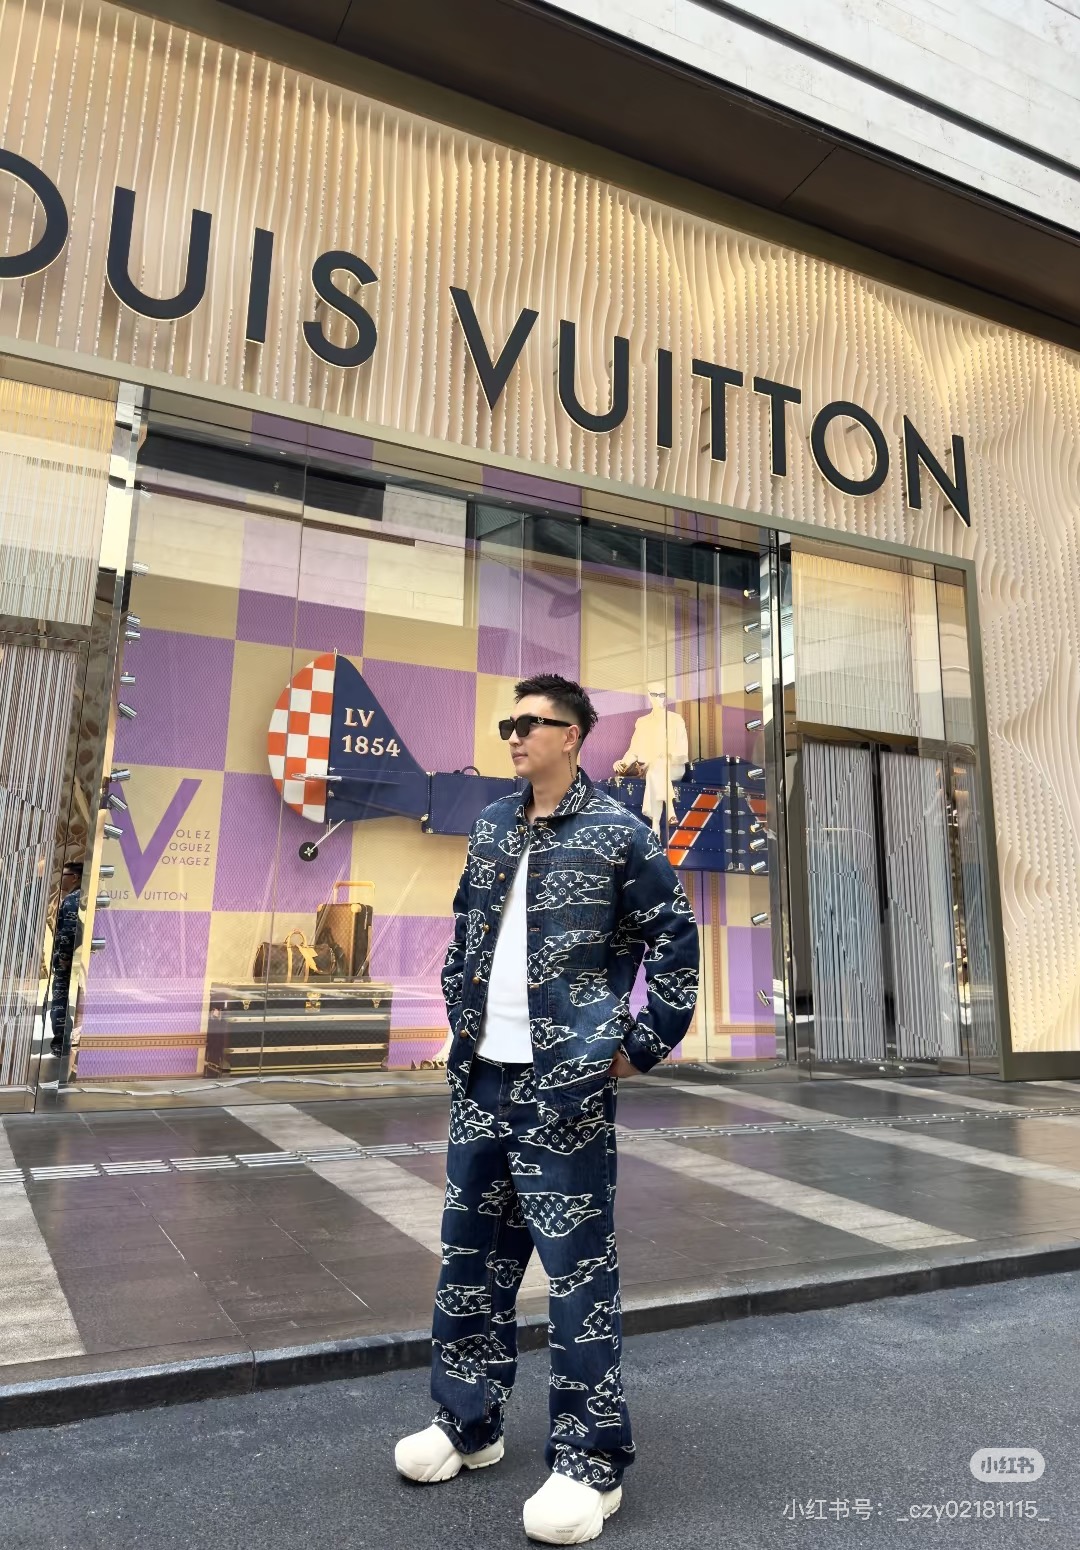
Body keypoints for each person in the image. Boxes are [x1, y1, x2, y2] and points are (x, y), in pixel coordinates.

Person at [395, 674, 699, 1544]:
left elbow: (673, 939)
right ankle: (467, 1422)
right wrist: (459, 1010)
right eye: (510, 722)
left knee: (576, 1279)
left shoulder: (618, 832)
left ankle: (590, 1463)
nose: (516, 735)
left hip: (565, 1088)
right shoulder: (493, 823)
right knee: (468, 1264)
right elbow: (467, 927)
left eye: (533, 723)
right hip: (482, 1081)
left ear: (574, 736)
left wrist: (637, 1044)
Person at [49, 861, 82, 1058]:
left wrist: (63, 958)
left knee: (60, 1000)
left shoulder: (71, 900)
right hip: (77, 960)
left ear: (75, 877)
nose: (60, 879)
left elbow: (68, 932)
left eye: (64, 875)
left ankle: (61, 1045)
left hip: (68, 961)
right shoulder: (82, 898)